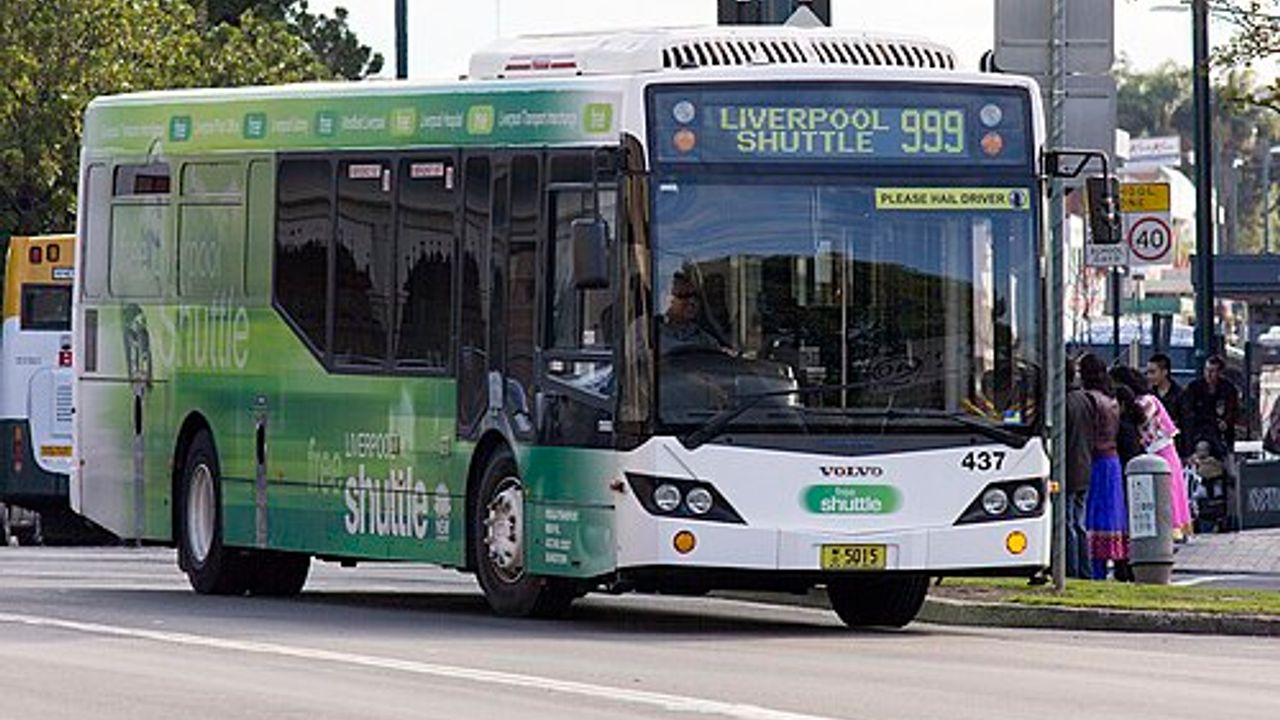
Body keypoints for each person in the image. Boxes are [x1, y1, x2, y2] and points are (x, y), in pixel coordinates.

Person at [1111, 365, 1195, 541]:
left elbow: (1140, 421)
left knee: (1168, 492)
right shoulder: (1146, 400)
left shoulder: (1147, 401)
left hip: (1160, 451)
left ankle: (1173, 528)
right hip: (1155, 451)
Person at [1078, 353, 1128, 580]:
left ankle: (1093, 570)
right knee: (1108, 518)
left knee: (1091, 517)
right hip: (1112, 461)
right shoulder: (1112, 400)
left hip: (1095, 462)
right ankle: (1101, 567)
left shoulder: (1089, 399)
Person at [1180, 355, 1240, 531]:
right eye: (1207, 370)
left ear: (1220, 373)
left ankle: (1226, 514)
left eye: (1213, 371)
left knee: (1228, 475)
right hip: (1200, 434)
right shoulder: (1194, 388)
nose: (1209, 375)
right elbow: (1188, 413)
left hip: (1221, 437)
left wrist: (1226, 421)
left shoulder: (1228, 389)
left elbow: (1233, 411)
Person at [1064, 357, 1094, 579]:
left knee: (1067, 524)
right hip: (1084, 466)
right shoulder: (1085, 399)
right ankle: (1085, 570)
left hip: (1068, 469)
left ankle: (1071, 570)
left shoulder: (1062, 402)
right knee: (1079, 523)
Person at [658, 272, 724, 354]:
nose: (692, 301)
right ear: (665, 298)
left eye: (695, 295)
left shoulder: (704, 337)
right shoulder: (650, 333)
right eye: (683, 295)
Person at [1146, 353, 1184, 452]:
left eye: (1152, 372)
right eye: (1148, 372)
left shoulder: (1180, 394)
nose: (1149, 376)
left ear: (1164, 372)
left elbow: (1186, 423)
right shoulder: (1149, 394)